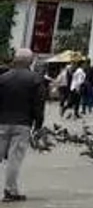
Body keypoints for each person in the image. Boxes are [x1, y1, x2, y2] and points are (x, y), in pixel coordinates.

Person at [0, 48, 45, 203]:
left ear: (15, 60)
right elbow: (38, 105)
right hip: (22, 124)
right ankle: (10, 191)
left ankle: (11, 190)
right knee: (14, 159)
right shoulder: (35, 79)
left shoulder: (3, 78)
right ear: (30, 61)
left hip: (2, 123)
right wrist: (38, 125)